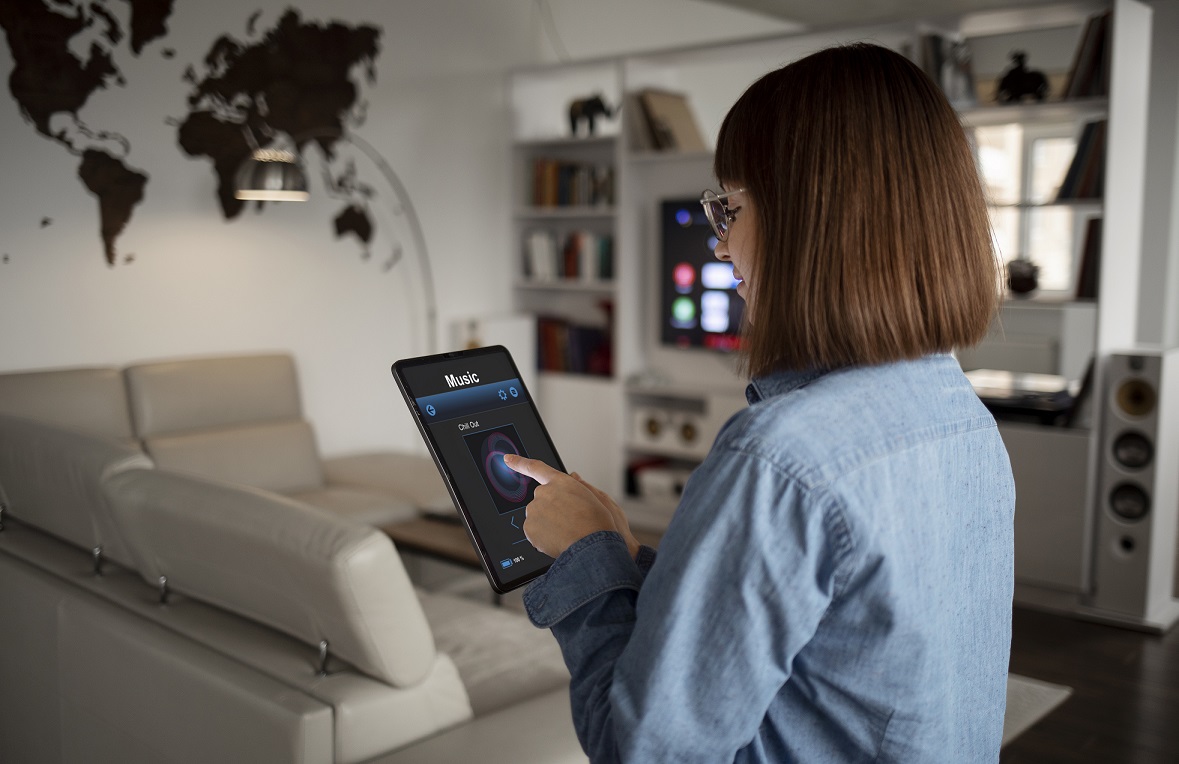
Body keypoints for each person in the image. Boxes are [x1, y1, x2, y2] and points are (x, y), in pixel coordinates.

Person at [506, 42, 1014, 763]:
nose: (719, 248)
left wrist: (587, 559)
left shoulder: (779, 460)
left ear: (812, 218)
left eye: (731, 208)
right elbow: (817, 648)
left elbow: (642, 751)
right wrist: (626, 557)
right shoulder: (962, 416)